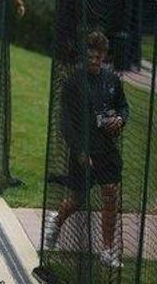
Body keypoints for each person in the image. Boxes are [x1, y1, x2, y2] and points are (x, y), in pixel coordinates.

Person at [44, 31, 129, 268]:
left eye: (98, 56)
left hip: (107, 149)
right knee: (77, 200)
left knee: (110, 194)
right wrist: (80, 151)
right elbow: (66, 123)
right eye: (90, 55)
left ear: (104, 56)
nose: (94, 60)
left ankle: (108, 250)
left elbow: (123, 106)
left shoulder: (112, 80)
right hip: (83, 149)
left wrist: (121, 119)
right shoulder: (73, 83)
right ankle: (56, 220)